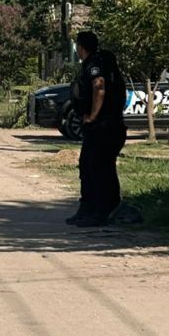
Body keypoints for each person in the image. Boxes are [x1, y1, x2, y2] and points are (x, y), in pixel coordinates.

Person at [67, 31, 127, 227]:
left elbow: (99, 87)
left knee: (99, 169)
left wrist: (92, 116)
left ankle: (101, 212)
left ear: (80, 47)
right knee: (88, 167)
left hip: (103, 126)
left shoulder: (94, 64)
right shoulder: (100, 63)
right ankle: (87, 209)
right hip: (104, 126)